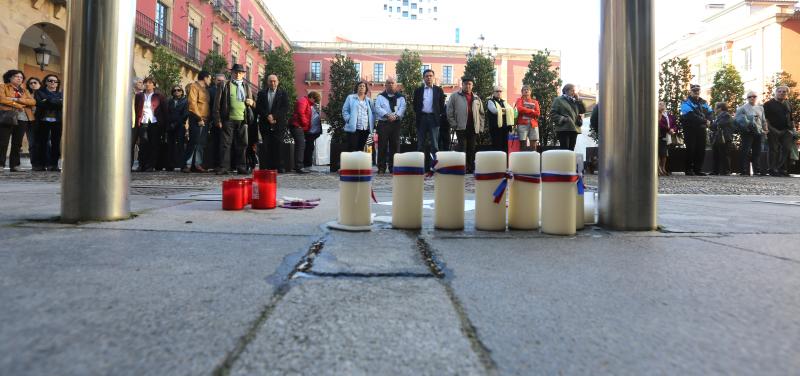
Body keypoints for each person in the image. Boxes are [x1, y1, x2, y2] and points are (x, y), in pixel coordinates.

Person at [214, 64, 255, 175]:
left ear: (243, 74)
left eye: (240, 72)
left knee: (242, 144)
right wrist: (217, 119)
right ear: (232, 73)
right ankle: (224, 167)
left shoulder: (246, 87)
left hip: (243, 119)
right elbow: (217, 104)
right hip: (228, 119)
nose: (238, 74)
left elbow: (253, 103)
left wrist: (252, 102)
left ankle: (241, 167)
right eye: (236, 72)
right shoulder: (225, 85)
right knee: (225, 144)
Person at [446, 76, 485, 173]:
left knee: (471, 148)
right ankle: (463, 167)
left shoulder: (476, 98)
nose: (468, 86)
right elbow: (449, 111)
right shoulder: (454, 96)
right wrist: (453, 124)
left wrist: (480, 127)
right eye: (466, 84)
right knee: (462, 148)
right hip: (461, 127)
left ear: (472, 86)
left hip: (473, 127)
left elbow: (481, 114)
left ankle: (471, 167)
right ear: (462, 85)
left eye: (470, 84)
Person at [0, 70, 36, 172]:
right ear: (10, 77)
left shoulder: (25, 90)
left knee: (17, 143)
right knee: (3, 141)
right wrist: (19, 105)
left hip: (23, 118)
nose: (19, 78)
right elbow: (2, 99)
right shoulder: (3, 87)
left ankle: (15, 165)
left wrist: (16, 100)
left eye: (21, 77)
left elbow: (33, 101)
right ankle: (0, 164)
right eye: (16, 76)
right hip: (7, 116)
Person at [255, 74, 289, 171]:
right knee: (266, 146)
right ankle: (266, 167)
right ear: (267, 82)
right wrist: (267, 116)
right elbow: (258, 108)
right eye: (270, 81)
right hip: (265, 124)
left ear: (278, 82)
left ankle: (279, 167)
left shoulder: (283, 94)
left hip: (278, 124)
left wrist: (274, 116)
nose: (272, 83)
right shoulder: (261, 93)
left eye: (274, 81)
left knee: (278, 146)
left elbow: (285, 108)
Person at [133, 77, 168, 172]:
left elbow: (165, 111)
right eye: (146, 83)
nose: (147, 84)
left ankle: (150, 165)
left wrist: (164, 124)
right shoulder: (139, 96)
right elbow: (136, 109)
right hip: (143, 121)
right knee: (143, 143)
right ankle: (141, 164)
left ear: (154, 85)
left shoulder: (159, 96)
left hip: (155, 122)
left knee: (153, 144)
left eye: (150, 82)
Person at [413, 69, 447, 165]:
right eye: (427, 76)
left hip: (434, 119)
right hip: (422, 118)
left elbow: (441, 105)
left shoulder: (439, 90)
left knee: (435, 144)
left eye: (430, 76)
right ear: (423, 78)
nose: (429, 77)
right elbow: (415, 105)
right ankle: (420, 166)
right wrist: (420, 114)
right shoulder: (418, 90)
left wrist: (437, 114)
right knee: (420, 144)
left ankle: (434, 166)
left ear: (433, 77)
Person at [374, 76, 407, 174]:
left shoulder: (401, 97)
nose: (391, 85)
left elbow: (402, 108)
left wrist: (396, 116)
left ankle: (394, 167)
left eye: (393, 83)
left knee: (395, 146)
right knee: (382, 146)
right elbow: (377, 108)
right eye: (388, 83)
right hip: (383, 123)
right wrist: (387, 115)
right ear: (385, 85)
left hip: (395, 124)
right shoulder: (380, 96)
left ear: (396, 85)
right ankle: (381, 167)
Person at [680, 84, 713, 176]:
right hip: (690, 129)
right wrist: (705, 120)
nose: (696, 92)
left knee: (701, 149)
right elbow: (690, 115)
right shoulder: (686, 102)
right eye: (694, 91)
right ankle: (689, 169)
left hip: (701, 128)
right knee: (691, 148)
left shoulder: (704, 102)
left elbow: (710, 112)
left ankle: (697, 169)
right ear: (690, 91)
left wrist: (709, 120)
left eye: (698, 90)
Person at [33, 74, 63, 172]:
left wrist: (48, 100)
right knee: (42, 143)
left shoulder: (61, 94)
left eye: (55, 81)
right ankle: (41, 164)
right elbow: (40, 103)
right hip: (42, 121)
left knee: (56, 143)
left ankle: (53, 165)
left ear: (57, 83)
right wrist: (55, 102)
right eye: (50, 80)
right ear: (46, 82)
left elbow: (61, 104)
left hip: (57, 121)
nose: (53, 83)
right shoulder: (39, 92)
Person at [183, 71, 211, 173]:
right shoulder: (194, 87)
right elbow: (192, 104)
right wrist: (199, 118)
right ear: (205, 78)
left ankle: (197, 164)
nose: (210, 80)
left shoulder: (206, 90)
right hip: (197, 119)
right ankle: (188, 164)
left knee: (201, 143)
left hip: (205, 119)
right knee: (194, 142)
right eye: (209, 78)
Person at [763, 86, 794, 177]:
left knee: (786, 149)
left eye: (784, 92)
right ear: (775, 92)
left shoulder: (788, 104)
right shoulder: (768, 104)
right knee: (774, 150)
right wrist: (771, 129)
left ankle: (780, 168)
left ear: (787, 93)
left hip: (786, 131)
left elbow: (791, 118)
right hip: (773, 130)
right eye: (779, 91)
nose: (782, 93)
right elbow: (765, 119)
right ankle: (772, 169)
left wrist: (793, 130)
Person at [289, 91, 321, 173]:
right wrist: (306, 124)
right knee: (300, 145)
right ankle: (299, 167)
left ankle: (298, 166)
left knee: (300, 145)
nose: (315, 103)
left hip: (299, 126)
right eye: (315, 100)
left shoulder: (306, 102)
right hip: (297, 126)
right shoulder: (303, 101)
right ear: (312, 98)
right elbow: (301, 113)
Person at [735, 91, 765, 176]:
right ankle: (743, 170)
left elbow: (763, 120)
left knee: (757, 151)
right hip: (747, 132)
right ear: (747, 98)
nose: (752, 98)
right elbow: (737, 120)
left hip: (758, 131)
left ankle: (757, 170)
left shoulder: (761, 108)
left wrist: (765, 129)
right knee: (745, 151)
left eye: (754, 96)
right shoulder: (742, 108)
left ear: (756, 97)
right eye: (750, 97)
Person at [342, 80, 375, 152]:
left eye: (364, 86)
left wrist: (372, 123)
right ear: (357, 88)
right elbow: (345, 110)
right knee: (352, 147)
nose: (362, 87)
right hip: (353, 127)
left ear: (366, 89)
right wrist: (349, 120)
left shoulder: (369, 100)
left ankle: (357, 163)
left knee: (360, 148)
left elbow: (373, 112)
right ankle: (350, 163)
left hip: (365, 128)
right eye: (360, 86)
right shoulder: (350, 98)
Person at [203, 73, 226, 171]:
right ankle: (214, 164)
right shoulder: (210, 91)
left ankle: (222, 164)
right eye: (218, 80)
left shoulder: (227, 90)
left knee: (224, 144)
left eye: (222, 80)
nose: (220, 82)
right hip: (213, 121)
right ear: (215, 80)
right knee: (214, 143)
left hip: (225, 121)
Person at [550, 83, 584, 151]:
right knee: (564, 149)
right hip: (563, 128)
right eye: (572, 90)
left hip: (574, 128)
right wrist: (564, 119)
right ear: (566, 91)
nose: (574, 92)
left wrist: (579, 101)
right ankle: (564, 162)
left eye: (575, 91)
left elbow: (583, 111)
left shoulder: (575, 100)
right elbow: (553, 113)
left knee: (571, 149)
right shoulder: (558, 100)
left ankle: (570, 162)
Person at [166, 85, 188, 171]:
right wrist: (170, 124)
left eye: (179, 90)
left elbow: (185, 114)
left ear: (182, 91)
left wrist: (176, 123)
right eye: (175, 90)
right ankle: (170, 165)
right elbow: (167, 113)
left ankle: (183, 165)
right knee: (170, 145)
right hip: (170, 126)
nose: (176, 92)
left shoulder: (185, 101)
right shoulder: (170, 101)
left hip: (180, 126)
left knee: (180, 146)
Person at [486, 85, 514, 153]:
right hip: (495, 128)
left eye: (500, 91)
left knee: (505, 147)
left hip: (505, 128)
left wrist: (502, 110)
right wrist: (506, 110)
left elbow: (511, 110)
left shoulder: (504, 102)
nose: (499, 93)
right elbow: (495, 111)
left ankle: (504, 162)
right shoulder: (490, 101)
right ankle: (497, 162)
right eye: (497, 91)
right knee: (497, 146)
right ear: (493, 93)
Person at [710, 102, 735, 176]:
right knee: (716, 155)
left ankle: (726, 171)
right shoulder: (718, 116)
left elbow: (720, 124)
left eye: (715, 107)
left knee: (725, 154)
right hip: (718, 138)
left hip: (725, 138)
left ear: (720, 108)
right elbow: (713, 127)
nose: (714, 109)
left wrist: (712, 124)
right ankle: (715, 171)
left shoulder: (726, 115)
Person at [514, 85, 540, 151]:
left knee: (533, 143)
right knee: (522, 143)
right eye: (524, 90)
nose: (526, 91)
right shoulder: (519, 100)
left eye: (528, 89)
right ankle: (523, 159)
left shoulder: (535, 102)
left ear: (530, 92)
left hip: (533, 124)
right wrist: (531, 111)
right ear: (522, 92)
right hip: (522, 124)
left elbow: (537, 113)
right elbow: (519, 109)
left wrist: (525, 110)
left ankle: (534, 158)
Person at [25, 77, 42, 169]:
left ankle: (44, 163)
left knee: (45, 143)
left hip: (43, 121)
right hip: (30, 121)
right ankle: (35, 164)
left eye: (35, 82)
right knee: (32, 143)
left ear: (39, 84)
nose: (33, 84)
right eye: (30, 83)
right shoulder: (26, 94)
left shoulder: (44, 94)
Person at [658, 101, 677, 176]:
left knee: (664, 153)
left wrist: (673, 129)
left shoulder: (669, 115)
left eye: (663, 104)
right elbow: (659, 124)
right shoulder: (657, 114)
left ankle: (663, 168)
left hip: (668, 136)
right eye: (660, 104)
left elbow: (674, 124)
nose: (662, 105)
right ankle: (659, 169)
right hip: (660, 135)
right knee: (659, 153)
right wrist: (668, 129)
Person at [131, 77, 144, 169]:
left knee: (142, 144)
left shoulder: (143, 95)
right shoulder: (129, 94)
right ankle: (129, 165)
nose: (142, 84)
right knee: (130, 144)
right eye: (140, 82)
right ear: (134, 84)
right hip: (130, 122)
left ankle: (141, 164)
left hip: (140, 122)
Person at [305, 101, 322, 169]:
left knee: (310, 146)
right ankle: (307, 163)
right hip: (311, 131)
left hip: (313, 131)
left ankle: (308, 163)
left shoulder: (314, 108)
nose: (317, 106)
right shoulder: (311, 108)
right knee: (309, 147)